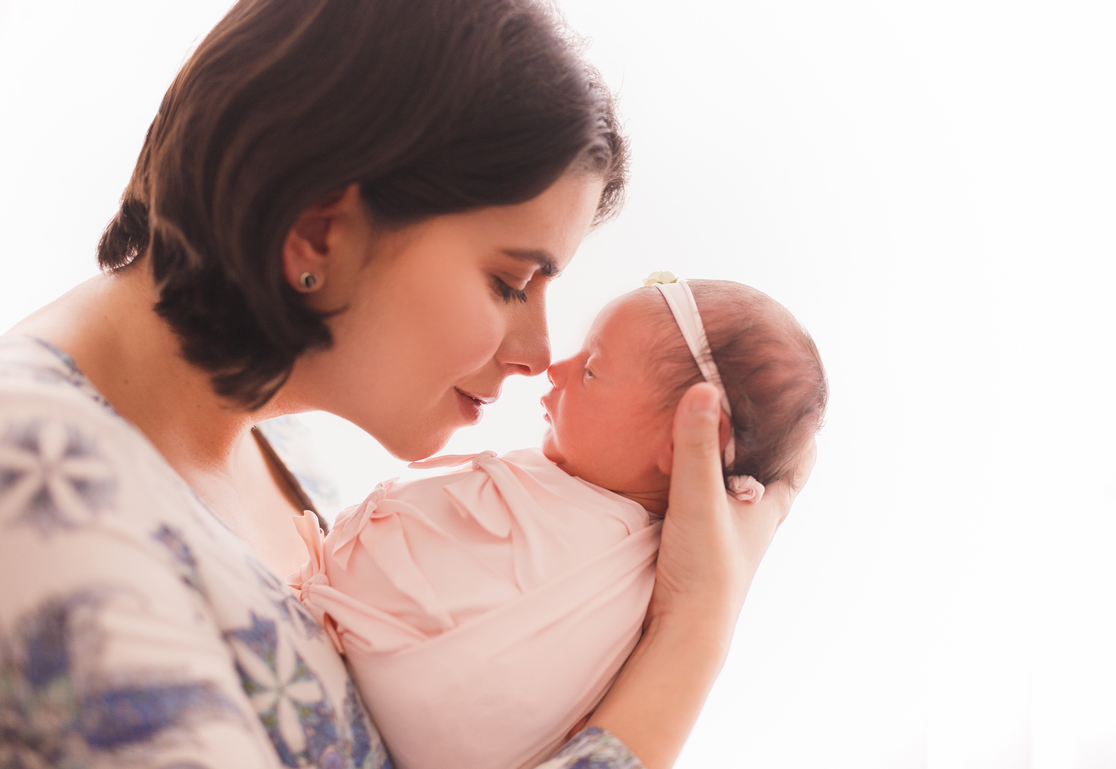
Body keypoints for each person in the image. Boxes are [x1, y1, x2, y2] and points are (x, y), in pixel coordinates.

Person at [0, 0, 814, 768]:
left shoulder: (260, 449)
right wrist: (695, 631)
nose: (535, 356)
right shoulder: (26, 485)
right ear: (318, 233)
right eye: (508, 283)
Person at [287, 278, 827, 769]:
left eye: (591, 370)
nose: (555, 367)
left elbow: (459, 711)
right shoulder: (568, 498)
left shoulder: (613, 563)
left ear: (685, 441)